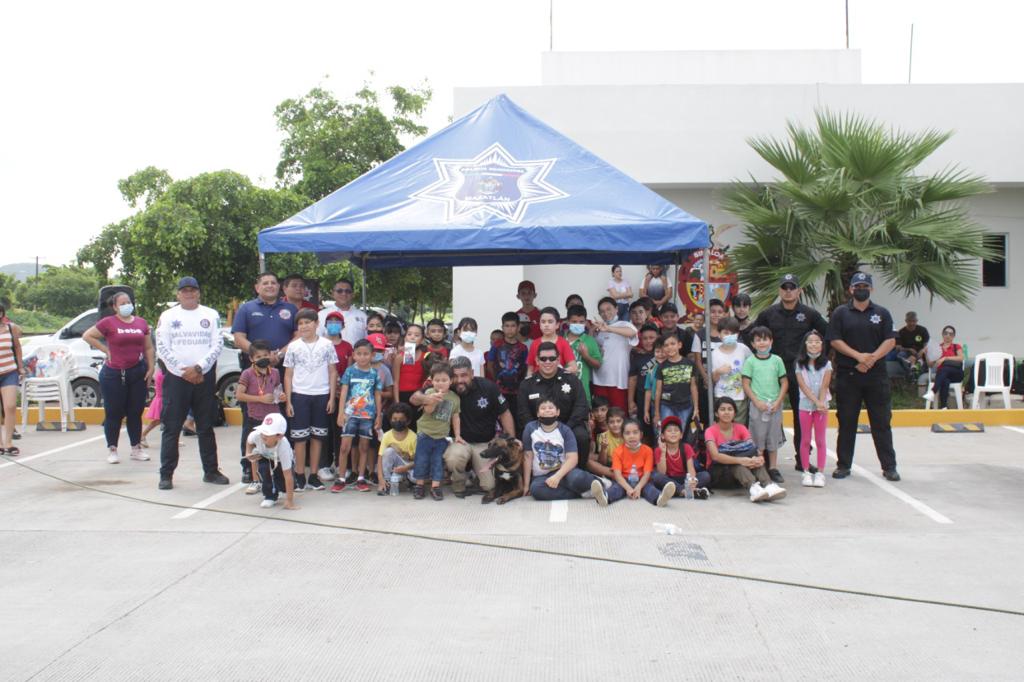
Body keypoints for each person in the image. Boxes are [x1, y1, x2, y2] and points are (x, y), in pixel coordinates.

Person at [154, 277, 227, 490]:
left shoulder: (211, 314)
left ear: (198, 293)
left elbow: (217, 344)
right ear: (178, 294)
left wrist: (199, 367)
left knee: (205, 426)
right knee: (171, 427)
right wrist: (183, 370)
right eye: (184, 290)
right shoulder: (168, 316)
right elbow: (162, 347)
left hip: (203, 376)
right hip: (176, 378)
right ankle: (166, 474)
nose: (189, 294)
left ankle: (211, 471)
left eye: (192, 290)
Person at [825, 272, 900, 481]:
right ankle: (843, 465)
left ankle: (889, 467)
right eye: (857, 286)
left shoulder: (882, 313)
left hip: (876, 376)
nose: (861, 289)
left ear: (871, 289)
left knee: (881, 423)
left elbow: (890, 340)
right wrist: (858, 357)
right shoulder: (840, 313)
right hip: (849, 376)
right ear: (850, 289)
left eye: (865, 286)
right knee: (847, 422)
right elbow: (834, 340)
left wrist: (871, 359)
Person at [752, 274, 828, 473]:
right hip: (771, 372)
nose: (788, 291)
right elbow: (753, 336)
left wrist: (818, 361)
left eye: (792, 287)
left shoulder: (809, 314)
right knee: (767, 415)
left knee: (801, 416)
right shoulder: (768, 314)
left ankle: (802, 459)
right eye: (784, 287)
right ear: (779, 290)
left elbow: (827, 335)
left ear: (799, 291)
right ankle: (766, 462)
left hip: (799, 373)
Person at [231, 271, 297, 482]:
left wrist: (278, 355)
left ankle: (282, 464)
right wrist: (260, 356)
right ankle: (248, 467)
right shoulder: (246, 308)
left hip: (282, 369)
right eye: (265, 283)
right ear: (257, 287)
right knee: (252, 421)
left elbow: (297, 336)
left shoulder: (290, 309)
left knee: (281, 418)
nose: (270, 286)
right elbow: (238, 337)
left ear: (279, 287)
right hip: (254, 371)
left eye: (273, 283)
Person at [82, 292, 155, 464]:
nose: (126, 305)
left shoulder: (141, 323)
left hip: (137, 372)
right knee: (114, 413)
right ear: (115, 307)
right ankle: (112, 449)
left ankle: (136, 448)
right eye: (122, 303)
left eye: (128, 302)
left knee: (135, 412)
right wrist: (106, 350)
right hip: (113, 374)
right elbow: (87, 336)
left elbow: (148, 347)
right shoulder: (108, 322)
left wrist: (151, 367)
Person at [428, 356, 515, 498]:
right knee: (454, 458)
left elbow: (504, 413)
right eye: (455, 376)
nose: (459, 380)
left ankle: (474, 475)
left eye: (464, 375)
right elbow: (417, 396)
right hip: (460, 442)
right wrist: (426, 399)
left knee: (490, 486)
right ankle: (459, 484)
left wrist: (511, 440)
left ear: (472, 374)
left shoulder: (488, 387)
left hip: (484, 444)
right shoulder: (445, 388)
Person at [283, 308, 337, 491]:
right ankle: (299, 475)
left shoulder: (327, 345)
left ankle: (313, 475)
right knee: (300, 438)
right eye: (300, 323)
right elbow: (288, 375)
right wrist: (289, 401)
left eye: (307, 322)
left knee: (317, 437)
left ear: (316, 323)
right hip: (300, 395)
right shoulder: (293, 346)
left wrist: (332, 397)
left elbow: (332, 372)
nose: (304, 326)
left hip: (322, 395)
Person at [517, 341, 592, 466]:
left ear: (558, 360)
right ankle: (535, 473)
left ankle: (579, 471)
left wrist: (565, 429)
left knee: (581, 436)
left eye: (552, 358)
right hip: (538, 429)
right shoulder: (527, 384)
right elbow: (523, 413)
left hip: (569, 425)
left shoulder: (572, 380)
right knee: (527, 435)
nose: (547, 362)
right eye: (543, 359)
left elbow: (581, 407)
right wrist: (540, 432)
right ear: (537, 361)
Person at [522, 398, 604, 503]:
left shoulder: (565, 430)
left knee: (577, 478)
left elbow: (573, 458)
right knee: (536, 489)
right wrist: (526, 485)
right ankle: (582, 493)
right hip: (542, 477)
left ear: (558, 412)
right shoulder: (530, 428)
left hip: (565, 472)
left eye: (550, 407)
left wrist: (557, 476)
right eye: (543, 408)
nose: (547, 410)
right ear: (537, 413)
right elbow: (527, 457)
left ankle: (601, 483)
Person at [705, 397, 786, 502]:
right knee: (736, 463)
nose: (726, 412)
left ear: (735, 413)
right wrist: (741, 460)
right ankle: (753, 488)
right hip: (719, 475)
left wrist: (758, 458)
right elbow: (715, 456)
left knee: (754, 459)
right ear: (716, 413)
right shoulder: (710, 431)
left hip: (739, 476)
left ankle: (768, 485)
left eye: (730, 409)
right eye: (722, 409)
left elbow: (752, 448)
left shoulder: (741, 428)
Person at [333, 339, 383, 493]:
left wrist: (378, 416)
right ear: (354, 355)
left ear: (372, 355)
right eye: (359, 354)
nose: (362, 357)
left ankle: (361, 478)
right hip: (350, 415)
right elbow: (343, 393)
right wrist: (340, 413)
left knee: (364, 447)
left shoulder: (374, 374)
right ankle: (341, 479)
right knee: (344, 447)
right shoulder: (350, 371)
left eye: (366, 354)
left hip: (367, 415)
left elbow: (377, 395)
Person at [236, 341, 284, 494]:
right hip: (255, 416)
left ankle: (277, 478)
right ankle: (255, 480)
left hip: (272, 418)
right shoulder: (247, 374)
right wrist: (260, 399)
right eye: (258, 357)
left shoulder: (275, 372)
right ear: (251, 359)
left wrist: (281, 396)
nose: (262, 358)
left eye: (265, 355)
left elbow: (277, 390)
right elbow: (239, 395)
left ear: (270, 355)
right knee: (255, 449)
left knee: (275, 448)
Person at [741, 326, 788, 483]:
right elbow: (746, 384)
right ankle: (759, 468)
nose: (762, 343)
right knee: (758, 439)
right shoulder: (750, 361)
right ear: (753, 344)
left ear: (771, 341)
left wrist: (778, 402)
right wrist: (757, 402)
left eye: (765, 339)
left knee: (773, 438)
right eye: (758, 340)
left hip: (775, 406)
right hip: (757, 406)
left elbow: (784, 382)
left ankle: (773, 468)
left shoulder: (777, 360)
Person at [597, 418, 676, 506]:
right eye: (627, 433)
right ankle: (605, 497)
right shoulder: (617, 451)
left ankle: (659, 498)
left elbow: (647, 474)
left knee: (649, 488)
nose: (632, 436)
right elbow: (617, 475)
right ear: (622, 436)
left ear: (641, 435)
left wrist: (638, 488)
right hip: (624, 481)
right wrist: (628, 488)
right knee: (617, 488)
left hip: (642, 481)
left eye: (635, 432)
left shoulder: (647, 450)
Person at [413, 362, 461, 501]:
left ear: (451, 381)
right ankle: (419, 485)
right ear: (431, 380)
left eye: (444, 380)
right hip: (425, 433)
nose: (440, 383)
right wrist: (433, 399)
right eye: (437, 380)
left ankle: (435, 487)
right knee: (421, 459)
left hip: (442, 436)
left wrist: (457, 435)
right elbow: (428, 411)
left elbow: (455, 417)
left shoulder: (454, 398)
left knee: (437, 461)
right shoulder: (429, 393)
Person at [795, 331, 831, 488]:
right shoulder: (800, 364)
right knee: (805, 439)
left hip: (822, 407)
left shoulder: (827, 364)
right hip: (805, 406)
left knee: (821, 440)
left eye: (817, 342)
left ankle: (820, 473)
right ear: (805, 344)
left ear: (822, 345)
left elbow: (825, 385)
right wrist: (816, 402)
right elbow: (803, 386)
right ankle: (806, 471)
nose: (814, 344)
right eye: (810, 342)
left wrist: (821, 403)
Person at [320, 310, 353, 480]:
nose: (333, 324)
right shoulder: (320, 344)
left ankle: (341, 464)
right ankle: (324, 465)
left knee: (340, 429)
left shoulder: (347, 346)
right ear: (325, 325)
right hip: (323, 391)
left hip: (342, 393)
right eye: (330, 321)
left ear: (343, 326)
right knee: (324, 429)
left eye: (337, 321)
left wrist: (342, 387)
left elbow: (350, 369)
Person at [591, 297, 638, 410]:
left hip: (618, 380)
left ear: (616, 309)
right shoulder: (599, 330)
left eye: (609, 309)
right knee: (601, 415)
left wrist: (609, 328)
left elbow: (633, 332)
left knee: (618, 414)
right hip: (598, 379)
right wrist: (592, 331)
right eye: (602, 311)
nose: (606, 313)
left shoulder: (625, 325)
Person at [244, 413, 298, 510]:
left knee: (284, 483)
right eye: (263, 431)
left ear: (279, 436)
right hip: (265, 457)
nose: (263, 435)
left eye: (268, 433)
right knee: (264, 469)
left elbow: (288, 475)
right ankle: (270, 496)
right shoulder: (256, 435)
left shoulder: (283, 446)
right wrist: (248, 453)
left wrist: (289, 501)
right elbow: (249, 440)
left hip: (280, 461)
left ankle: (282, 488)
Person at [652, 415, 710, 497]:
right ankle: (685, 491)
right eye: (669, 430)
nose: (673, 432)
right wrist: (663, 452)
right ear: (662, 436)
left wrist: (692, 480)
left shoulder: (686, 447)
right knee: (657, 477)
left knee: (705, 476)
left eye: (676, 430)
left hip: (684, 479)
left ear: (681, 435)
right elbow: (662, 473)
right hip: (669, 480)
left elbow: (691, 469)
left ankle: (680, 491)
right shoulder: (659, 450)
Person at [653, 333, 699, 433]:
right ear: (663, 349)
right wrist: (657, 413)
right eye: (666, 345)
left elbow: (693, 387)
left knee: (682, 431)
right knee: (667, 431)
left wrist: (696, 408)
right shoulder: (661, 367)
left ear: (679, 345)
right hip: (667, 405)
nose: (670, 347)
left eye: (672, 344)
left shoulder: (690, 364)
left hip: (686, 405)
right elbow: (658, 391)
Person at [488, 312, 528, 427]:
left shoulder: (523, 348)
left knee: (516, 419)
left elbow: (525, 368)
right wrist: (497, 380)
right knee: (500, 419)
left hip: (517, 392)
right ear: (502, 327)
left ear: (518, 327)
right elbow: (490, 365)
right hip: (500, 391)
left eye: (513, 326)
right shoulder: (496, 346)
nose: (510, 329)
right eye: (507, 326)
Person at [711, 317, 752, 425]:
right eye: (726, 333)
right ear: (719, 334)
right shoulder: (714, 353)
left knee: (739, 426)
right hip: (721, 396)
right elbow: (714, 379)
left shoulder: (743, 349)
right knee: (723, 426)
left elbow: (753, 367)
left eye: (733, 333)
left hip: (739, 397)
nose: (730, 335)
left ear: (738, 334)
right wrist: (718, 372)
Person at [375, 402, 418, 495]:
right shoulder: (386, 436)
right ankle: (386, 482)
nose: (398, 421)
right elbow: (380, 458)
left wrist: (405, 468)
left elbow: (418, 460)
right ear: (390, 420)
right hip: (395, 467)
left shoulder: (413, 437)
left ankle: (410, 481)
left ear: (408, 421)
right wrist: (380, 479)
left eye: (401, 419)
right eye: (394, 419)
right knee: (388, 451)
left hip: (409, 466)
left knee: (417, 478)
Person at [0, 303, 25, 456]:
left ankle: (8, 442)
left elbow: (17, 347)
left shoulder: (11, 328)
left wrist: (20, 367)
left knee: (10, 406)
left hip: (9, 372)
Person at [564, 305, 602, 403]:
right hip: (561, 392)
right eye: (574, 322)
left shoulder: (590, 341)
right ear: (567, 322)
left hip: (582, 393)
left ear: (585, 322)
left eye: (581, 322)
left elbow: (598, 365)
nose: (578, 324)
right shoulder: (560, 340)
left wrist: (586, 356)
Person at [526, 307, 575, 374]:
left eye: (550, 322)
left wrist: (558, 372)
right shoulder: (534, 343)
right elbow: (530, 369)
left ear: (557, 325)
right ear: (539, 324)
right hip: (537, 380)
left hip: (558, 380)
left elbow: (574, 368)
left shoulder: (563, 343)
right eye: (543, 322)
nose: (546, 325)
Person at [318, 277, 366, 345]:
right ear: (333, 293)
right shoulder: (321, 315)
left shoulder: (363, 317)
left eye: (348, 291)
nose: (344, 294)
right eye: (339, 291)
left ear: (353, 294)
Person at [392, 323, 427, 407]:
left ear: (422, 340)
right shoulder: (399, 357)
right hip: (402, 395)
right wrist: (397, 403)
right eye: (409, 334)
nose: (412, 337)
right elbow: (395, 382)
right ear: (405, 338)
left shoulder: (426, 356)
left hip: (419, 396)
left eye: (416, 335)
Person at [932, 325, 965, 410]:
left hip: (956, 374)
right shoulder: (938, 348)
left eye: (951, 334)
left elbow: (961, 358)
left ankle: (933, 391)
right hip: (942, 375)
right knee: (945, 381)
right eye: (946, 333)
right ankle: (943, 407)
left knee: (945, 368)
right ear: (942, 334)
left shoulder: (956, 346)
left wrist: (945, 358)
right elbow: (932, 364)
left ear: (953, 336)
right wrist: (926, 353)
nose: (948, 335)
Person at [894, 312, 930, 378]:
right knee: (900, 355)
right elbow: (898, 347)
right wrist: (909, 349)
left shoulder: (923, 330)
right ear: (906, 321)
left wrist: (922, 351)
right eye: (909, 321)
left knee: (928, 354)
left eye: (914, 321)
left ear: (917, 321)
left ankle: (916, 366)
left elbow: (926, 345)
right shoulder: (901, 332)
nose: (911, 323)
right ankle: (912, 369)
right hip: (906, 353)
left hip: (920, 353)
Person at [140, 362, 165, 449]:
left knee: (167, 421)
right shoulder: (162, 375)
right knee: (158, 421)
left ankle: (173, 439)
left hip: (162, 399)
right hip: (162, 400)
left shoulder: (160, 373)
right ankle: (143, 435)